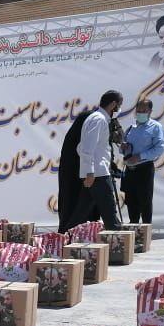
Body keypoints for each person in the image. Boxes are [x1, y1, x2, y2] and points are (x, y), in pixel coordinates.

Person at [67, 91, 123, 231]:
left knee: (81, 213)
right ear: (113, 104)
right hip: (98, 174)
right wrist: (90, 172)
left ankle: (65, 237)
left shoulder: (97, 118)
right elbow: (87, 147)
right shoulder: (99, 119)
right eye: (119, 105)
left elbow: (81, 147)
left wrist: (88, 171)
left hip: (95, 173)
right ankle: (120, 240)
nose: (119, 109)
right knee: (109, 211)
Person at [121, 99, 164, 226]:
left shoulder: (155, 127)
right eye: (138, 111)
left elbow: (159, 149)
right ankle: (133, 228)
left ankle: (146, 230)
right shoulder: (131, 128)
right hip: (130, 170)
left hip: (144, 169)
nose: (140, 113)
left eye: (144, 111)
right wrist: (123, 147)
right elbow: (124, 147)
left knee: (145, 201)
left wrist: (140, 156)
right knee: (131, 201)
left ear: (150, 111)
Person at [57, 111, 98, 233]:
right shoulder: (81, 140)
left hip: (76, 179)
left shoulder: (73, 138)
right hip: (81, 180)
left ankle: (69, 232)